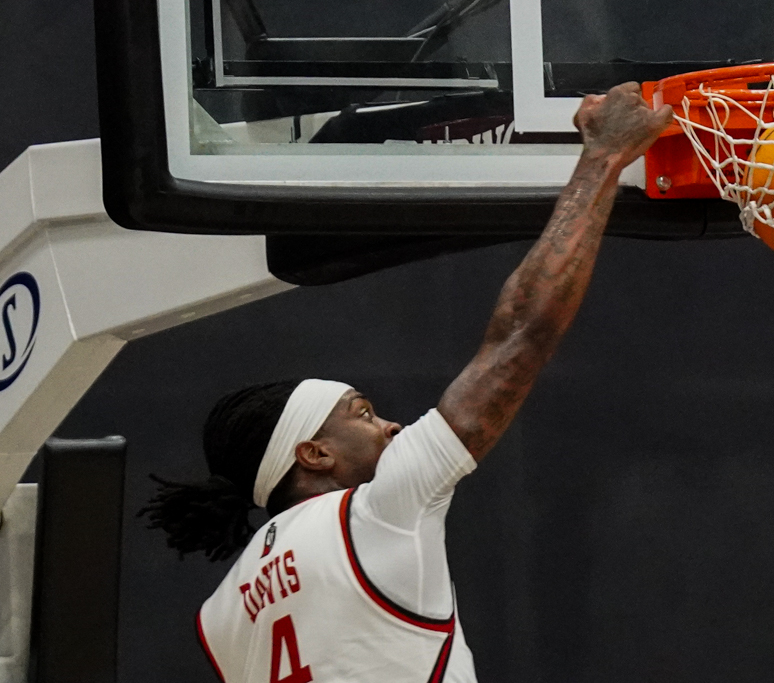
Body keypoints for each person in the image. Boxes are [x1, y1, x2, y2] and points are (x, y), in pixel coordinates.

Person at [141, 83, 673, 683]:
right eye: (361, 414)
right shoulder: (380, 507)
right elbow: (523, 332)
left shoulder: (221, 614)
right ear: (313, 454)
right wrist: (602, 157)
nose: (391, 424)